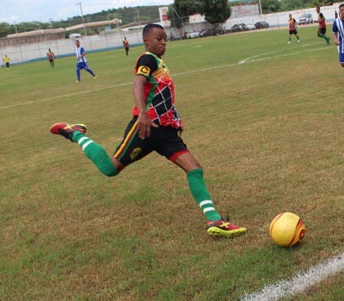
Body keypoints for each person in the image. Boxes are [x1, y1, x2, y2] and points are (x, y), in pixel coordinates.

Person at [50, 23, 247, 238]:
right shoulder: (148, 59)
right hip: (147, 128)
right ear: (147, 41)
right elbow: (137, 83)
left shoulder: (159, 62)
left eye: (165, 39)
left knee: (194, 169)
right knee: (110, 169)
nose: (163, 42)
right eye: (158, 38)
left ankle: (214, 221)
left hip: (166, 131)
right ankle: (75, 133)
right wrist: (142, 113)